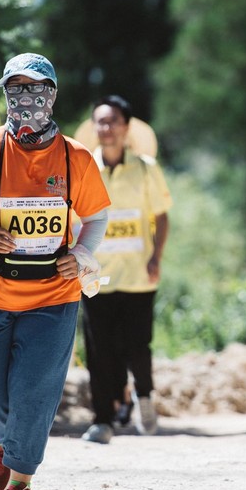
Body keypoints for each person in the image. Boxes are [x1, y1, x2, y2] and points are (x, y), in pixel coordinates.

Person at [0, 53, 111, 490]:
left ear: (52, 95)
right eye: (15, 89)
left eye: (35, 89)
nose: (25, 98)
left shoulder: (76, 159)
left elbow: (96, 217)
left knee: (35, 394)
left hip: (53, 296)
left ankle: (20, 483)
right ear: (5, 95)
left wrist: (81, 255)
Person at [80, 95, 172, 445]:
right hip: (96, 276)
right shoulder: (84, 168)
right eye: (100, 122)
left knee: (137, 346)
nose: (106, 128)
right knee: (99, 349)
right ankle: (102, 420)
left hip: (137, 276)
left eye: (113, 121)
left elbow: (162, 215)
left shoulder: (146, 167)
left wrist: (156, 258)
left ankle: (144, 398)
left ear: (126, 127)